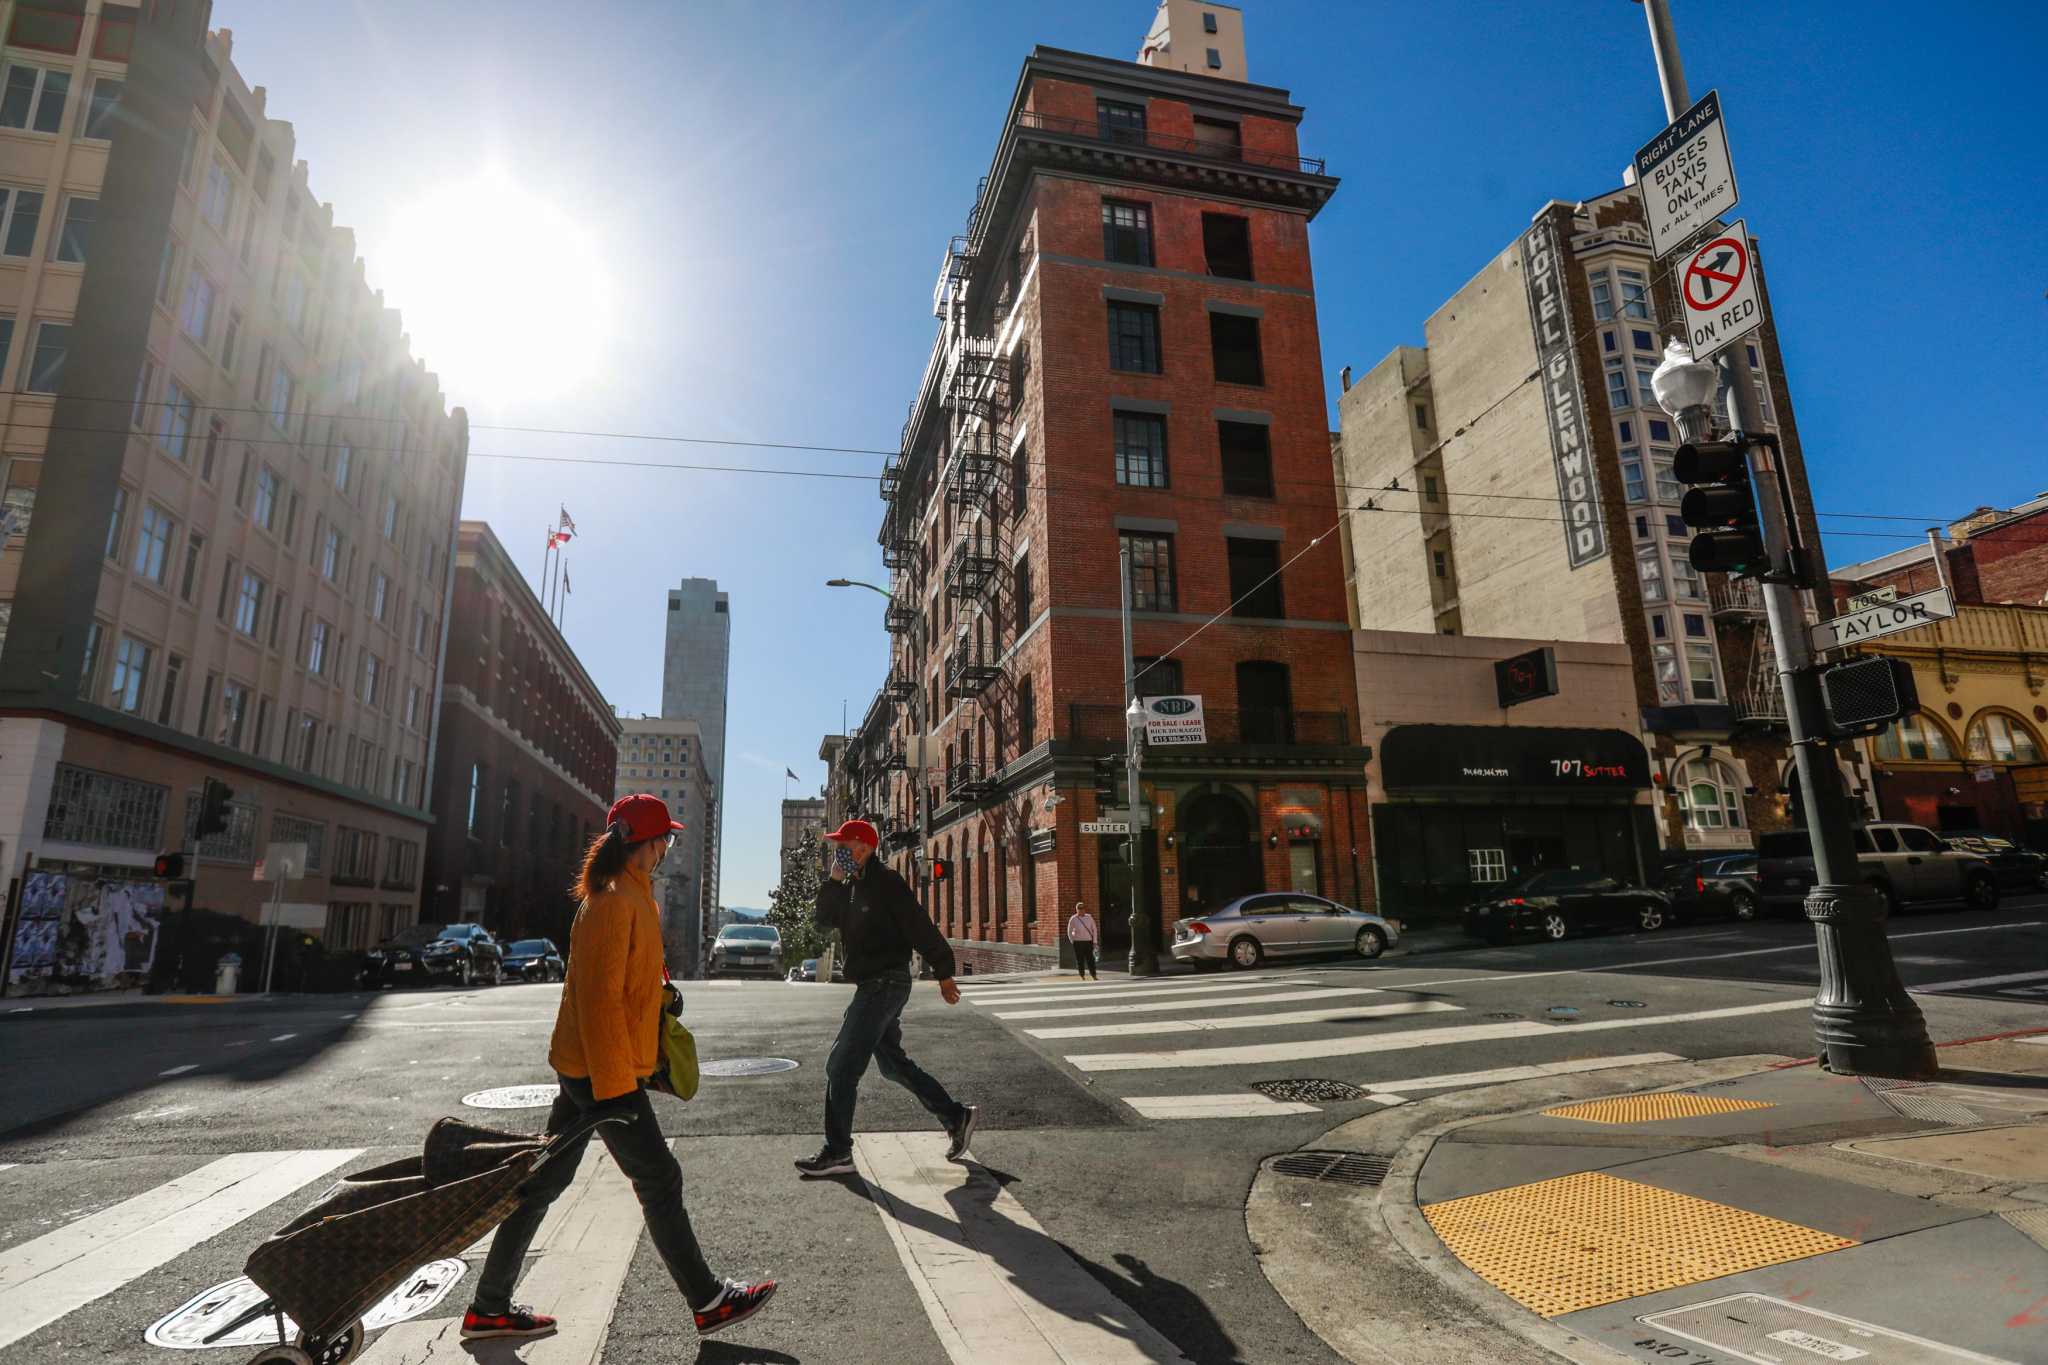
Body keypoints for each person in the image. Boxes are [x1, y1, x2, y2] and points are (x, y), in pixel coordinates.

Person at [462, 794, 776, 1342]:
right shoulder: (612, 901)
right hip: (600, 1074)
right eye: (667, 841)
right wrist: (617, 1090)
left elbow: (625, 987)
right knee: (659, 1179)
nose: (668, 850)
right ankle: (708, 1301)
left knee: (543, 1184)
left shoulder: (631, 895)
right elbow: (599, 1002)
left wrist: (658, 1007)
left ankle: (489, 1307)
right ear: (646, 846)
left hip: (589, 1066)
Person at [795, 819, 977, 1177]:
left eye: (843, 846)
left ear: (863, 847)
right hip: (873, 984)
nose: (839, 851)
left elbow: (918, 924)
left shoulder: (885, 882)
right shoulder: (850, 884)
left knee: (841, 1065)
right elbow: (822, 919)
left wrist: (943, 971)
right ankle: (957, 1117)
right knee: (893, 1066)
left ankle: (838, 1152)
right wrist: (833, 879)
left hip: (885, 983)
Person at [1066, 901, 1101, 980]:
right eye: (1079, 909)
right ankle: (1082, 975)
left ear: (1084, 909)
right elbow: (1069, 930)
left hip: (1088, 941)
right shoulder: (1073, 918)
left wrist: (1095, 941)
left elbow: (1094, 929)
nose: (1081, 910)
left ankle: (1093, 975)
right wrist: (1072, 940)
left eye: (1082, 908)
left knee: (1090, 959)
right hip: (1078, 942)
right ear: (1076, 910)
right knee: (1080, 959)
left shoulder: (1089, 917)